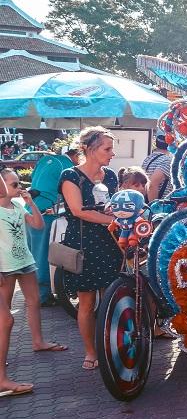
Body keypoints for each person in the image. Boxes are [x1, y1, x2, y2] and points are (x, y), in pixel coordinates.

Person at [59, 127, 123, 371]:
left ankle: (110, 346)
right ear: (89, 149)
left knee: (112, 298)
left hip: (109, 244)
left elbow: (116, 206)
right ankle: (90, 351)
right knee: (86, 302)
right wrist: (112, 220)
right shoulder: (70, 175)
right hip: (84, 244)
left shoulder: (111, 176)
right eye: (107, 148)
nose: (112, 153)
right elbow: (78, 211)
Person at [0, 168, 66, 397]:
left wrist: (31, 203)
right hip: (5, 265)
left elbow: (38, 225)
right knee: (5, 316)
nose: (20, 187)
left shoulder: (18, 206)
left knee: (34, 301)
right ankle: (2, 362)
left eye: (19, 183)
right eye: (15, 184)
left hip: (24, 261)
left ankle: (38, 341)